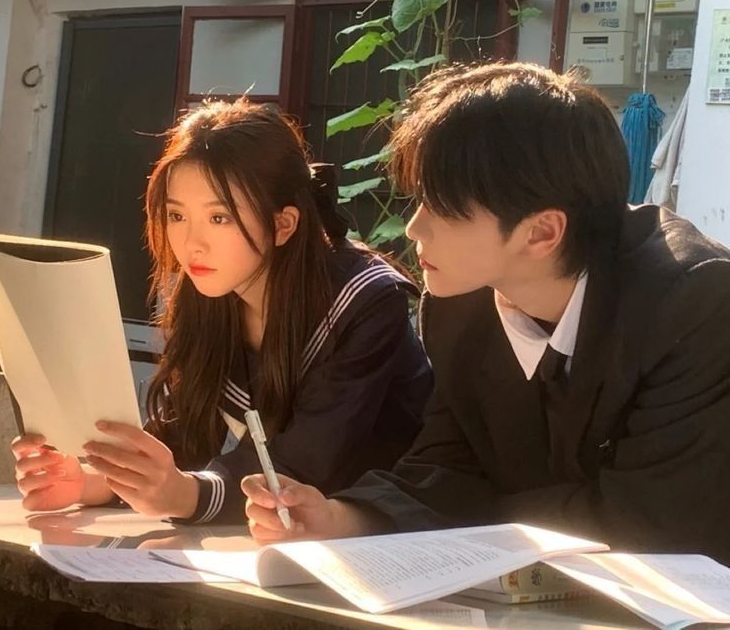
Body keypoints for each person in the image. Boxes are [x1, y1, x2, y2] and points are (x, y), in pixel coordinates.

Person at [242, 61, 730, 564]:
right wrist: (341, 519)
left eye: (443, 208)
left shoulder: (694, 303)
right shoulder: (460, 305)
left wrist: (474, 515)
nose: (413, 229)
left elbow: (653, 522)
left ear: (541, 232)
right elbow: (446, 465)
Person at [12, 99, 432, 524]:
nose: (191, 242)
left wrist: (184, 496)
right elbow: (186, 435)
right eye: (176, 215)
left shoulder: (365, 300)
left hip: (396, 537)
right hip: (290, 538)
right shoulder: (215, 290)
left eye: (219, 218)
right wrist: (94, 481)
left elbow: (307, 466)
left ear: (283, 224)